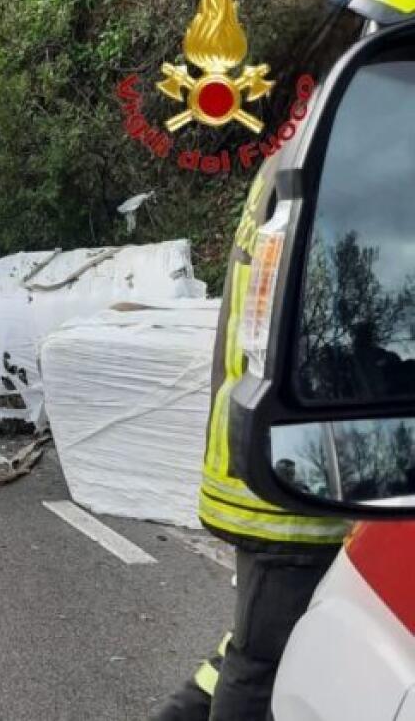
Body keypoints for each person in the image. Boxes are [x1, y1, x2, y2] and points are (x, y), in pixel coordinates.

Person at [153, 156, 348, 721]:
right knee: (262, 661)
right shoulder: (341, 155)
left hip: (267, 455)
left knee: (256, 646)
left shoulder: (295, 160)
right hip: (301, 479)